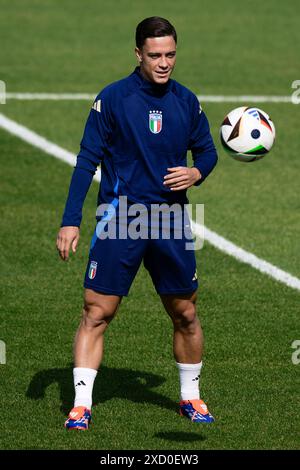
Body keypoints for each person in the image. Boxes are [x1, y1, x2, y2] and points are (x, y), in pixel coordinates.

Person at [56, 16, 218, 431]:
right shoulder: (112, 99)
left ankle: (190, 397)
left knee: (185, 312)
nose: (164, 63)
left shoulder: (186, 101)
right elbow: (85, 161)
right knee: (96, 311)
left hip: (169, 220)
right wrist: (70, 221)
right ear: (138, 54)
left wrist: (196, 173)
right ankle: (81, 405)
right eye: (155, 55)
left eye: (170, 54)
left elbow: (208, 152)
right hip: (120, 219)